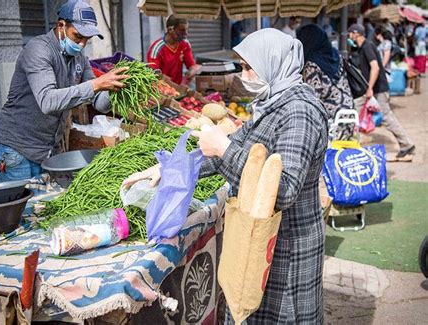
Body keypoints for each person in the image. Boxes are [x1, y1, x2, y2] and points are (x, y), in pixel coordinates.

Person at [125, 28, 329, 323]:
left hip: (287, 245)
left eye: (248, 67)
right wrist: (167, 169)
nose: (243, 74)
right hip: (261, 239)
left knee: (285, 316)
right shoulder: (274, 105)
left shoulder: (299, 113)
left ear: (272, 64)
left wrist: (223, 149)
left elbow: (284, 190)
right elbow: (232, 149)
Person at [0, 0, 129, 182]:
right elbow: (48, 101)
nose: (81, 44)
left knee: (46, 206)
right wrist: (97, 84)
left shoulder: (79, 58)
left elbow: (99, 104)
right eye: (78, 36)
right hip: (17, 150)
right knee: (21, 208)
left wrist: (115, 89)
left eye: (86, 40)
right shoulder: (38, 50)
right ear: (61, 25)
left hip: (49, 149)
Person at [348, 24, 415, 159]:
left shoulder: (367, 46)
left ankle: (406, 144)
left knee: (386, 117)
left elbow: (375, 68)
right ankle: (349, 143)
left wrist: (369, 88)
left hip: (378, 90)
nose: (349, 36)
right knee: (353, 112)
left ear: (356, 33)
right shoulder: (362, 48)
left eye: (350, 33)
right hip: (373, 89)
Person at [297, 24, 355, 141]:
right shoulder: (336, 54)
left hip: (332, 122)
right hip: (349, 112)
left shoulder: (312, 65)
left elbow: (313, 98)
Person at [146, 15, 200, 85]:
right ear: (170, 30)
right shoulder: (156, 50)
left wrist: (192, 71)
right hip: (161, 90)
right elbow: (153, 74)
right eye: (182, 30)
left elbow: (191, 65)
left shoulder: (185, 44)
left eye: (186, 30)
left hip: (178, 88)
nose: (186, 33)